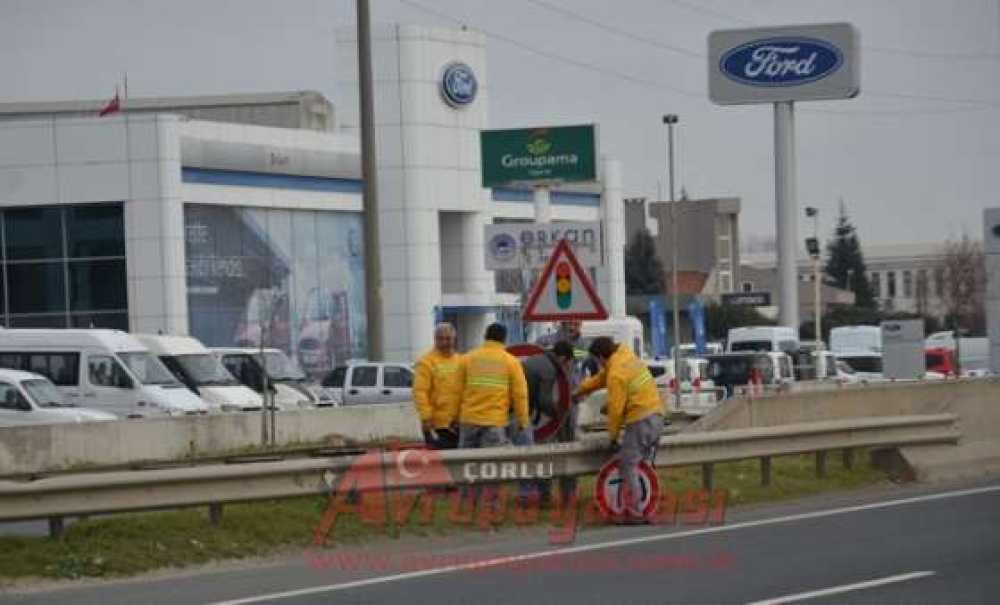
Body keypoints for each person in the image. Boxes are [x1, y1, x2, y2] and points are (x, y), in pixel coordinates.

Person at [573, 336, 665, 525]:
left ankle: (635, 512)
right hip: (656, 415)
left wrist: (613, 437)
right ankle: (643, 507)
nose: (598, 364)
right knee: (639, 465)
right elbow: (600, 379)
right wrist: (580, 390)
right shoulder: (625, 356)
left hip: (640, 419)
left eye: (597, 360)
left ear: (601, 357)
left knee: (627, 465)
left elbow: (615, 409)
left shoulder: (615, 373)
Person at [457, 323, 530, 515]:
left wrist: (455, 416)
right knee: (492, 467)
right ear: (504, 339)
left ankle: (467, 504)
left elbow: (456, 390)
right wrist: (523, 421)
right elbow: (520, 394)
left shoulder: (468, 358)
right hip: (494, 423)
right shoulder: (510, 362)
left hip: (468, 420)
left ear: (485, 336)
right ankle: (490, 505)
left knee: (466, 465)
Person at [518, 340, 577, 506]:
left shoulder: (537, 359)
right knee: (542, 454)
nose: (566, 367)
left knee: (532, 454)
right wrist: (558, 414)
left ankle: (537, 495)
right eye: (567, 363)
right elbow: (544, 400)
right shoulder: (549, 369)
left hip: (516, 411)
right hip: (523, 413)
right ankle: (544, 496)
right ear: (563, 358)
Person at [413, 323, 462, 449]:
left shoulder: (461, 361)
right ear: (435, 339)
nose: (444, 342)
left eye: (448, 338)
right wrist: (426, 418)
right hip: (437, 425)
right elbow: (420, 392)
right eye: (441, 338)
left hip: (458, 423)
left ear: (454, 339)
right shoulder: (426, 362)